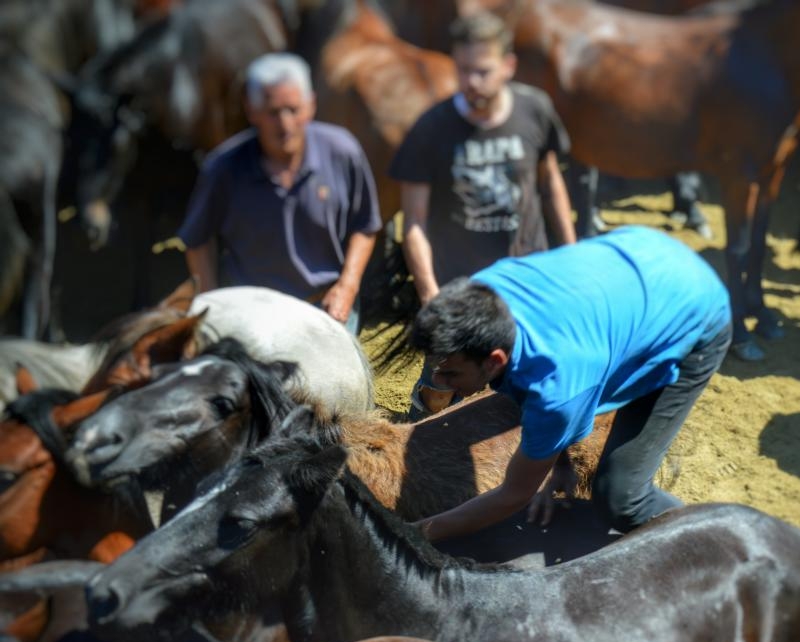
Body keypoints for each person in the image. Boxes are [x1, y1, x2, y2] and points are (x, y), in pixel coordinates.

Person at [410, 225, 730, 541]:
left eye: (451, 374)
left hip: (697, 307)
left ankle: (716, 542)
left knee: (621, 497)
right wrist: (559, 463)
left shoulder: (557, 387)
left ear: (495, 360)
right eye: (434, 368)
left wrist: (410, 535)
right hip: (642, 251)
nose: (438, 382)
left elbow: (513, 495)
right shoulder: (481, 294)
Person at [388, 11, 576, 417]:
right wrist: (430, 297)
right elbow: (414, 224)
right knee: (439, 389)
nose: (471, 82)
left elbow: (550, 186)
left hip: (528, 285)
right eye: (463, 71)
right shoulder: (431, 129)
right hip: (460, 294)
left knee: (528, 388)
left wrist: (573, 255)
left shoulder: (535, 111)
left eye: (483, 71)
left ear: (508, 66)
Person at [178, 52, 381, 334]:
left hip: (327, 308)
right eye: (273, 112)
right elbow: (197, 240)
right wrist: (212, 304)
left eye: (293, 110)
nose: (285, 124)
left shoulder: (342, 151)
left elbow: (366, 225)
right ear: (252, 111)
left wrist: (347, 286)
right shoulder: (223, 168)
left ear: (311, 105)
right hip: (252, 315)